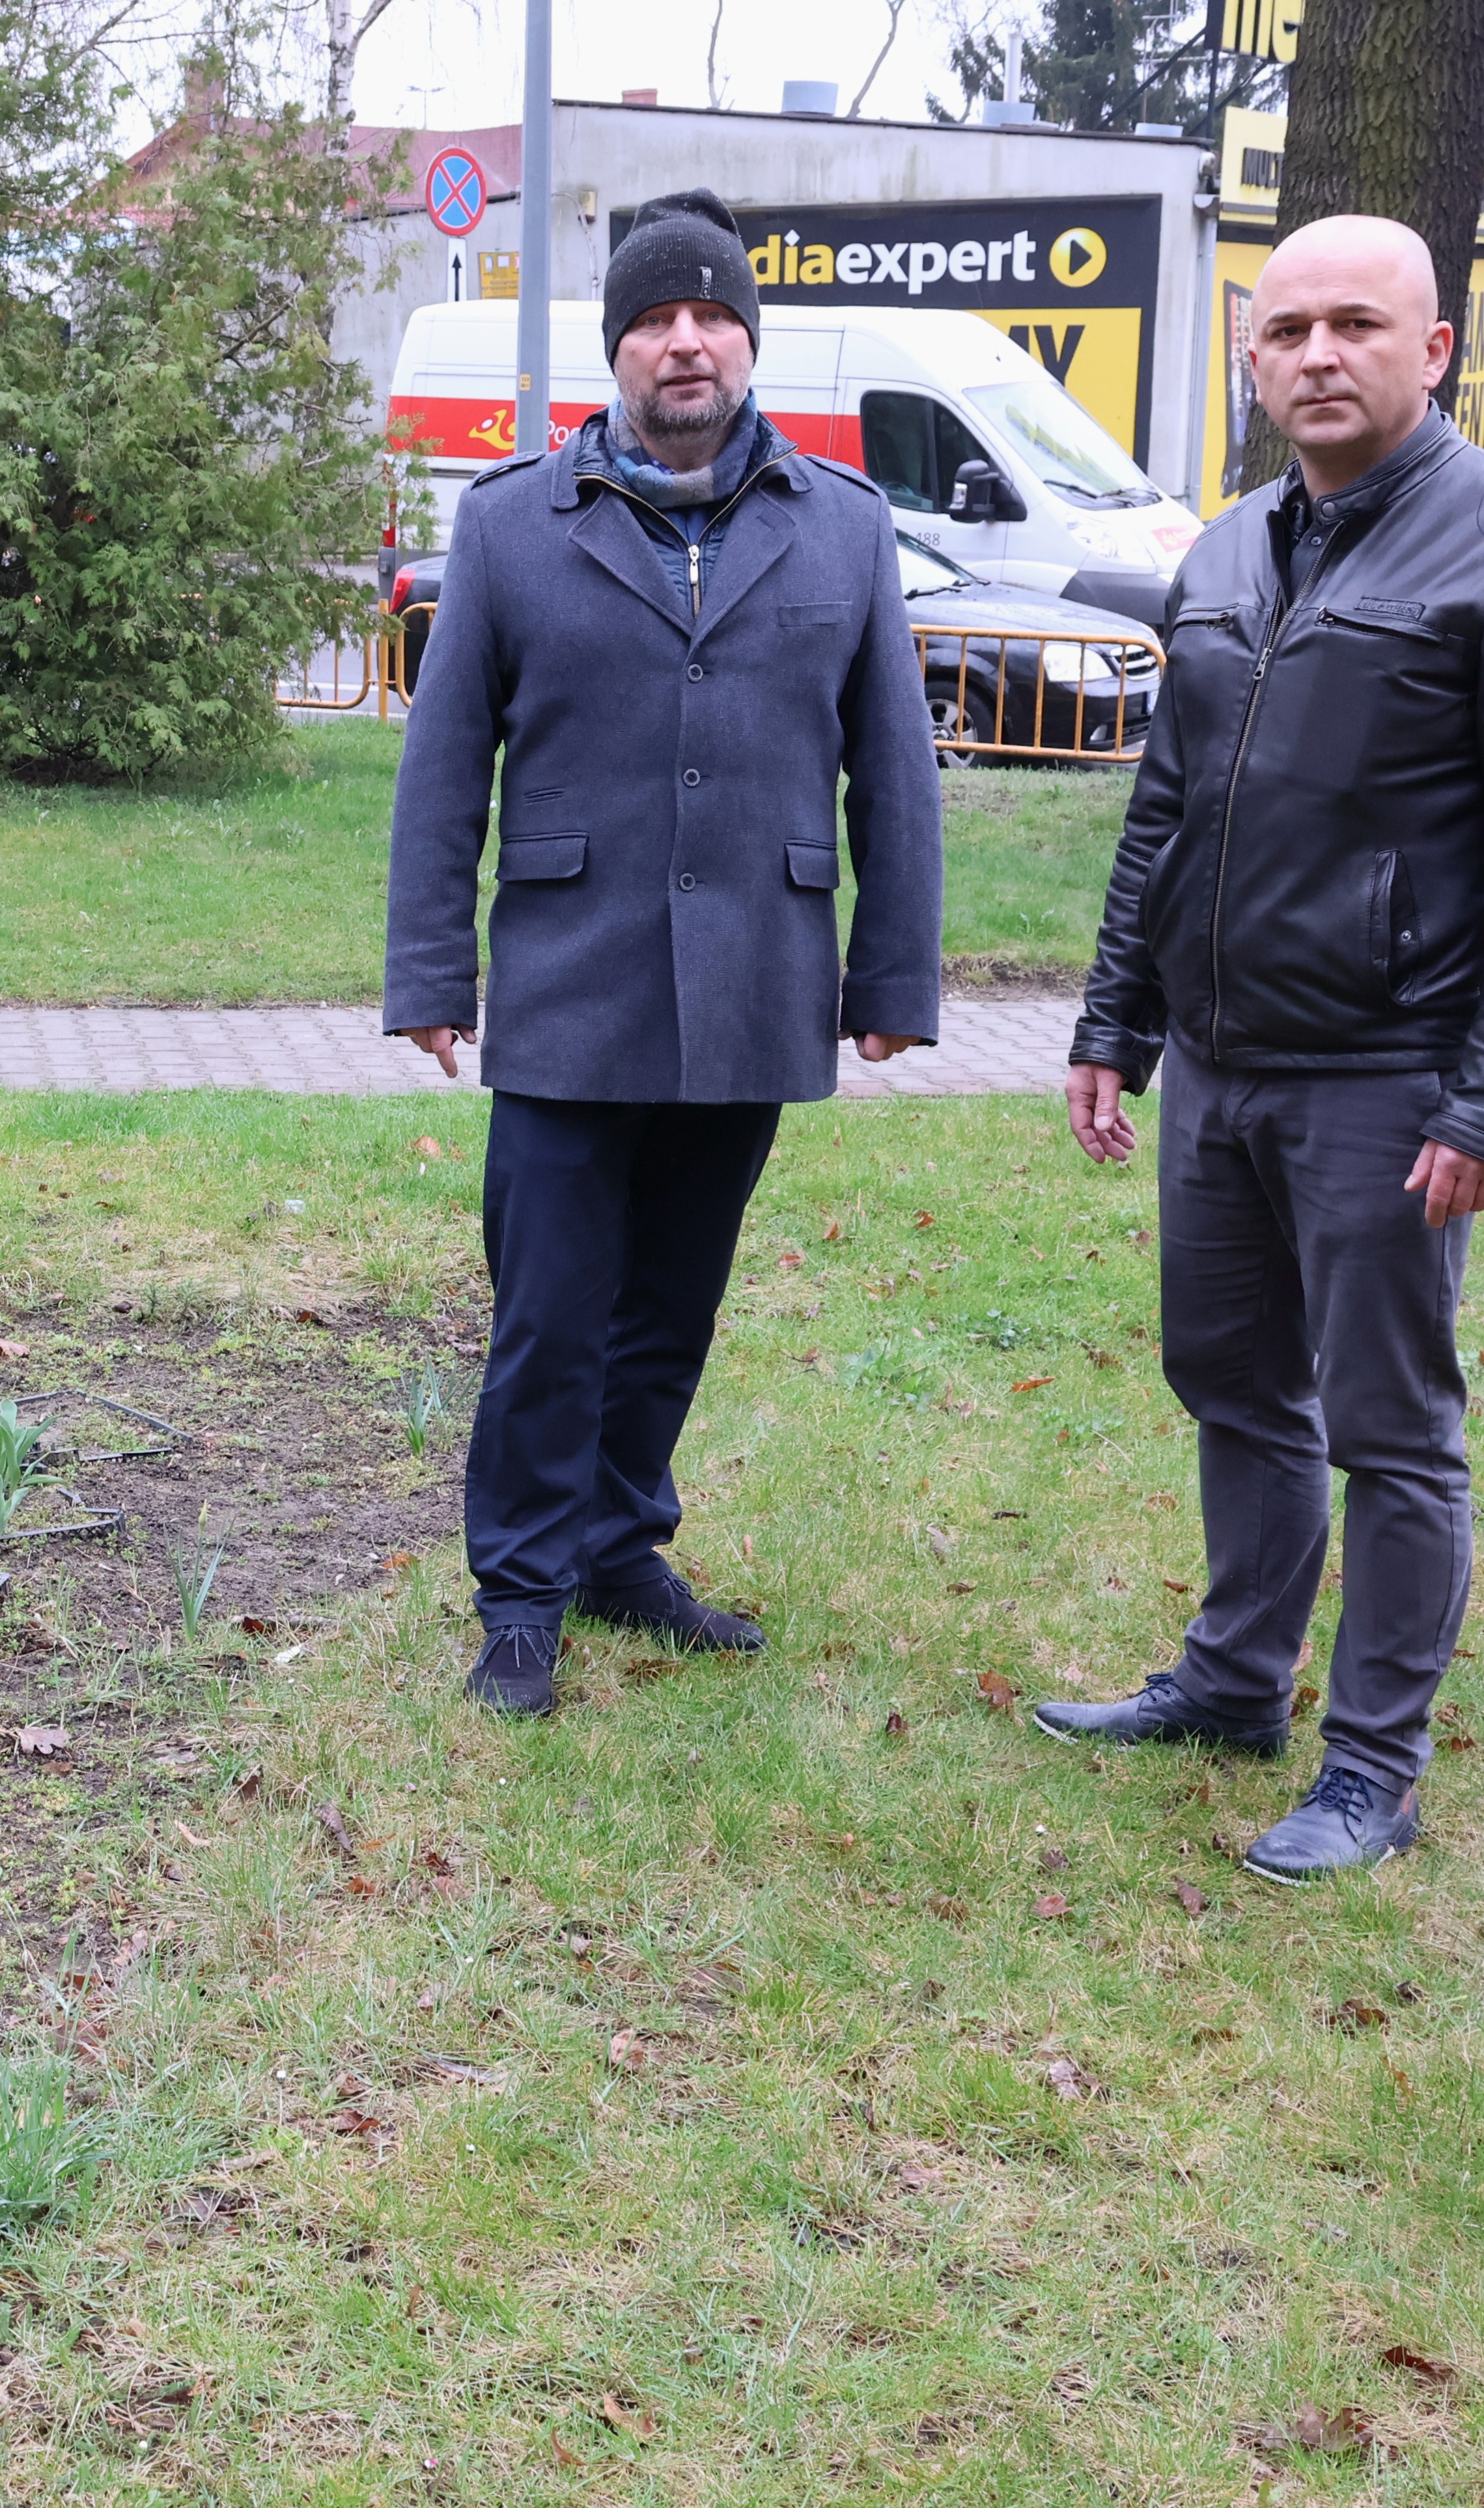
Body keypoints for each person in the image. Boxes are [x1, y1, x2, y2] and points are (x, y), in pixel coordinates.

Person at [1039, 214, 1484, 1882]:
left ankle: (1373, 1767)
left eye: (1356, 324)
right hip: (1223, 1063)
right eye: (1285, 327)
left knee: (1390, 1424)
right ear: (1252, 354)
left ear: (1434, 350)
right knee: (1231, 1381)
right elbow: (1170, 806)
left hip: (1393, 1078)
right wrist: (1116, 1020)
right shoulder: (1225, 554)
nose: (1317, 354)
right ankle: (1236, 1686)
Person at [385, 188, 942, 1719]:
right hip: (573, 984)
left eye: (711, 316)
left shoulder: (846, 525)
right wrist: (432, 975)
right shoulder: (510, 525)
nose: (684, 341)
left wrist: (893, 978)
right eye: (654, 318)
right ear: (616, 350)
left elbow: (891, 765)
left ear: (748, 343)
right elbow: (443, 775)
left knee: (673, 1306)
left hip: (755, 983)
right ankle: (521, 1592)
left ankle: (622, 1549)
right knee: (550, 1312)